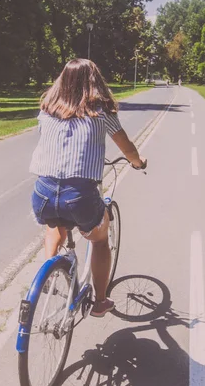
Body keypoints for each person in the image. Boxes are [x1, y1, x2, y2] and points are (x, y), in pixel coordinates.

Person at [29, 59, 146, 318]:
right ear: (95, 82)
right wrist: (137, 162)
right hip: (80, 196)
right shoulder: (101, 112)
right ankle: (101, 301)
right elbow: (126, 146)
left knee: (54, 224)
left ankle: (48, 269)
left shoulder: (46, 109)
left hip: (43, 192)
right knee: (100, 239)